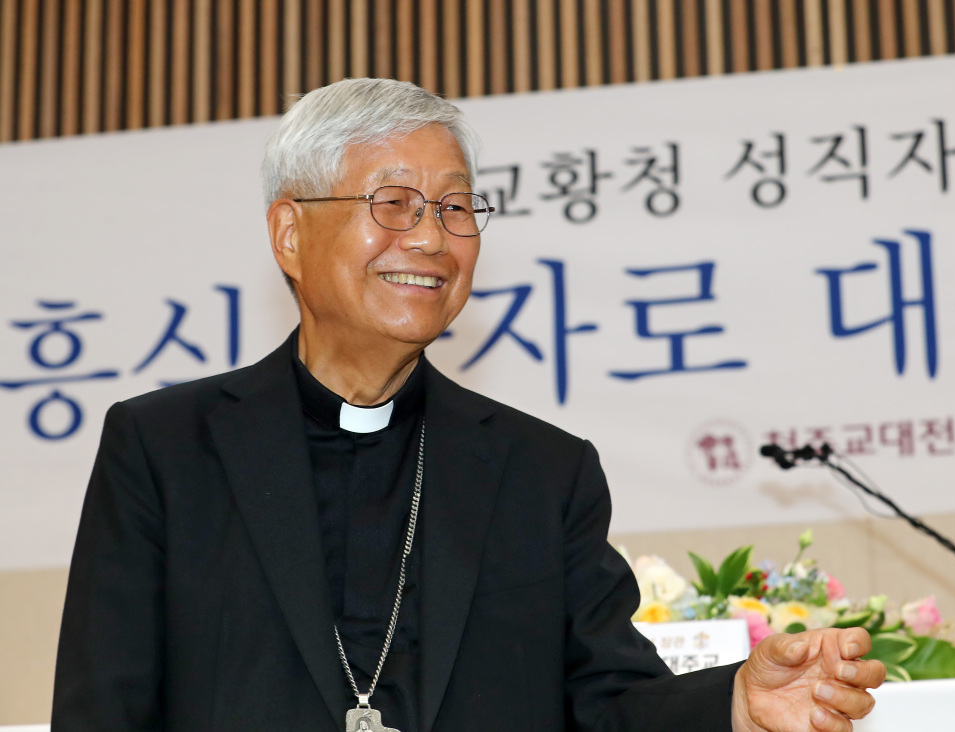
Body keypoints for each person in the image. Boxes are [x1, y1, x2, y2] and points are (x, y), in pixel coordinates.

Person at [52, 78, 884, 732]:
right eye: (393, 205)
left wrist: (735, 706)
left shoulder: (540, 472)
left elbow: (610, 706)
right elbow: (103, 712)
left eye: (455, 208)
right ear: (291, 234)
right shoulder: (164, 451)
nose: (430, 238)